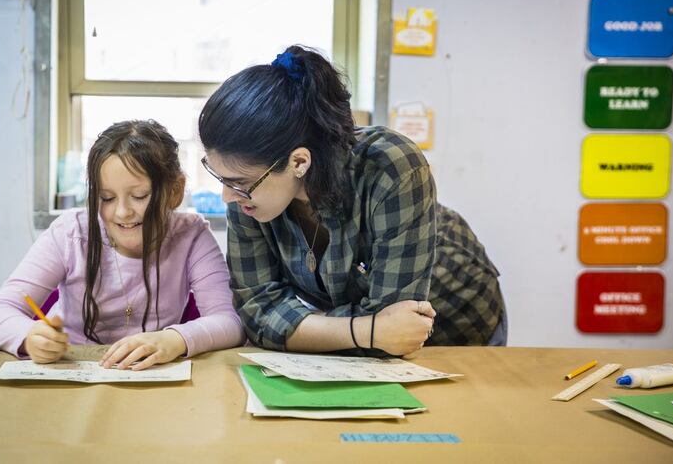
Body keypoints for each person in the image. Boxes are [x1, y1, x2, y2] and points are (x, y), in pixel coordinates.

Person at [198, 46, 507, 358]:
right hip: (362, 342)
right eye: (221, 179)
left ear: (299, 162)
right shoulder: (247, 189)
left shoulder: (390, 166)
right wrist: (369, 331)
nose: (227, 196)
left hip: (459, 320)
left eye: (238, 184)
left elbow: (395, 332)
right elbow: (257, 312)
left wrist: (300, 325)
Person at [0, 120, 244, 369]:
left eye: (139, 196)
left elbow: (230, 322)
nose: (121, 213)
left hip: (149, 373)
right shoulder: (71, 234)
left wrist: (173, 340)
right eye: (106, 198)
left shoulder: (191, 235)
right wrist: (28, 337)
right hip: (74, 370)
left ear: (174, 191)